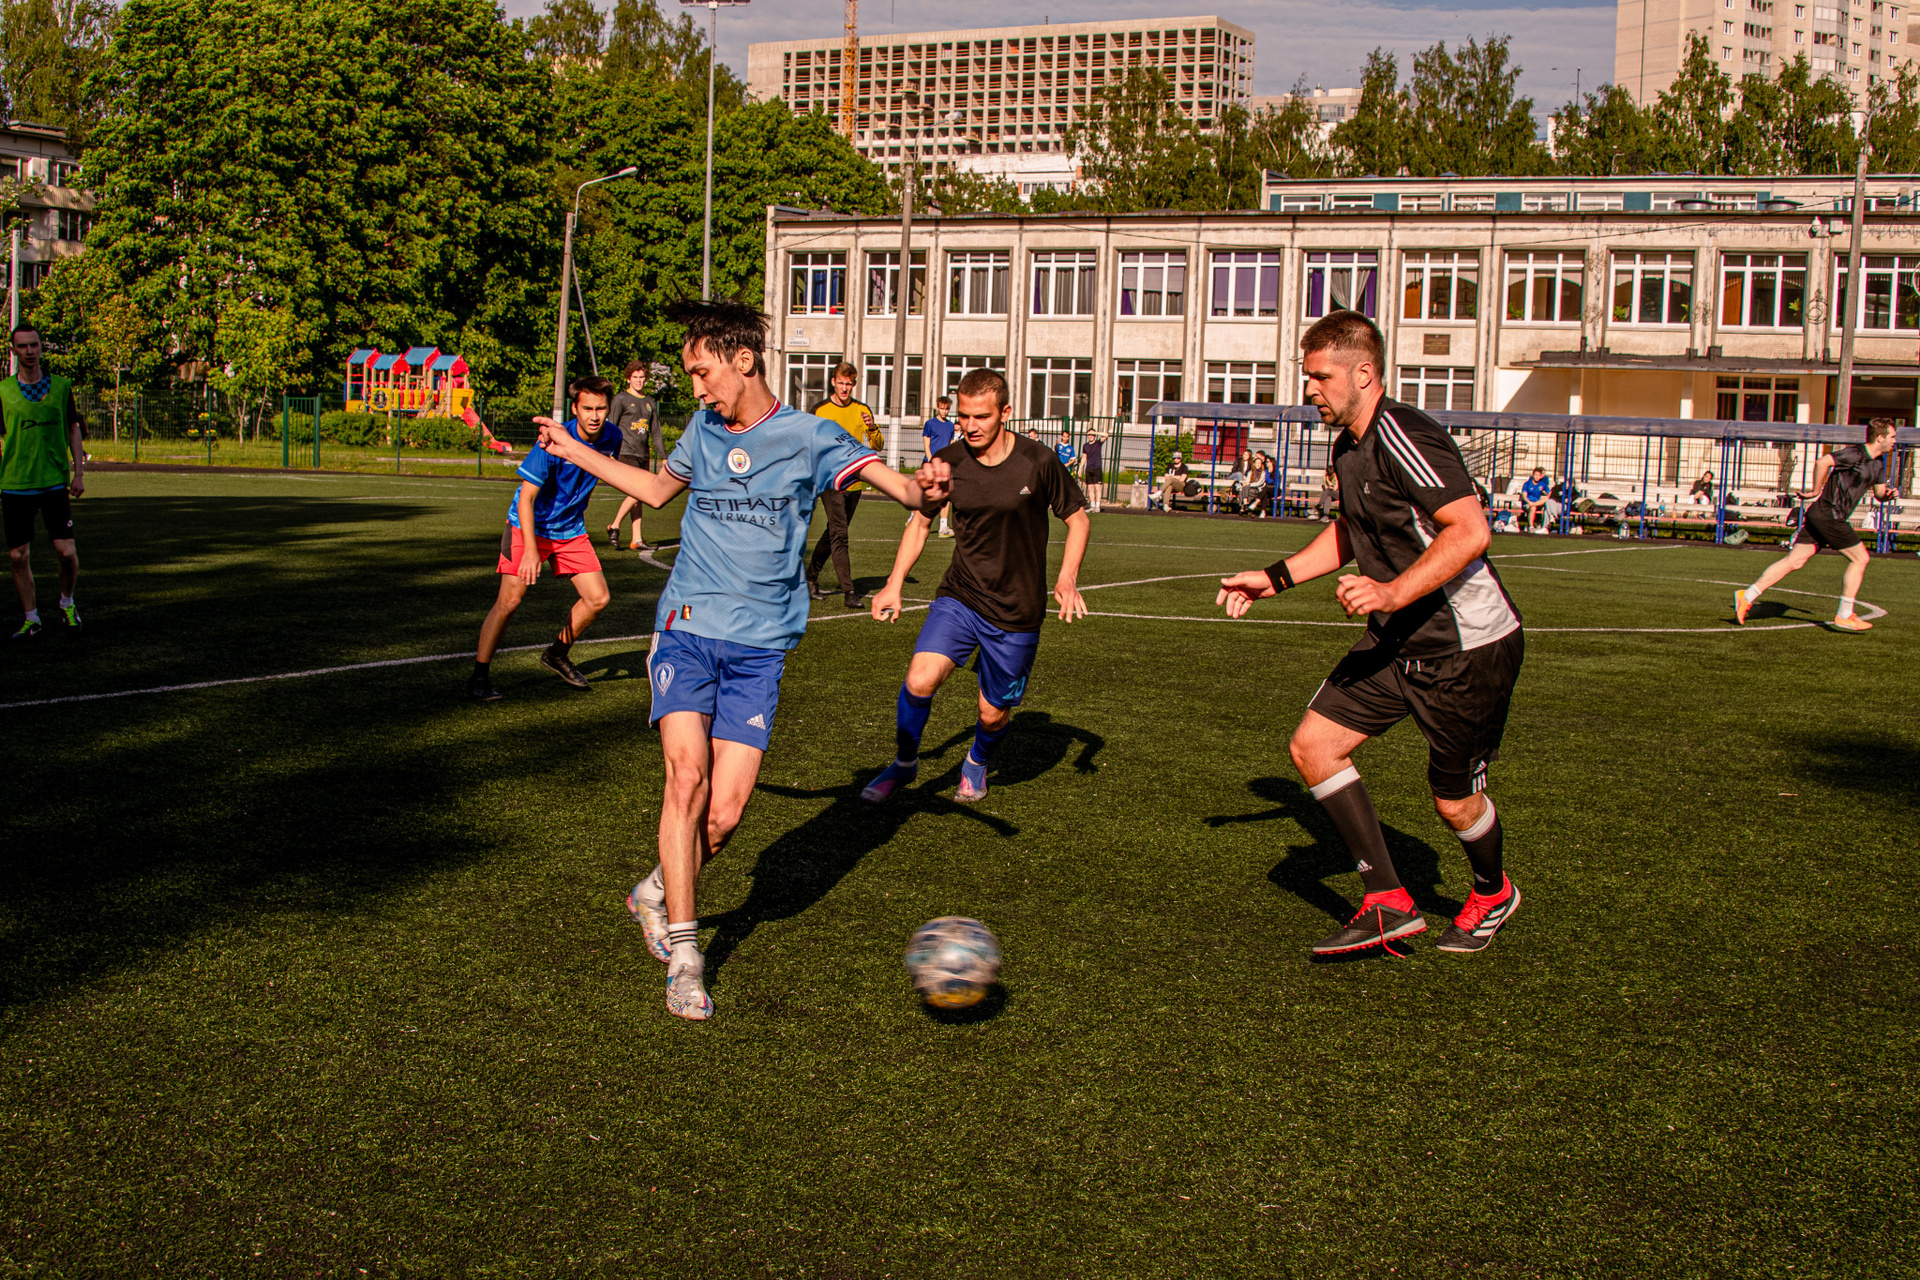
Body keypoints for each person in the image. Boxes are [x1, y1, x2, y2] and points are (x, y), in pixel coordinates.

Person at [533, 300, 934, 1022]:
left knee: (722, 818)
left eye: (701, 372)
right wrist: (571, 447)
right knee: (685, 778)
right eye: (690, 375)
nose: (696, 388)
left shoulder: (813, 436)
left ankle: (654, 891)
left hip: (760, 648)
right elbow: (656, 490)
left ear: (743, 360)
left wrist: (927, 487)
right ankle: (687, 958)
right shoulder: (703, 431)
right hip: (686, 628)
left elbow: (902, 488)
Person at [1217, 311, 1525, 957]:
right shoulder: (1348, 447)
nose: (1310, 389)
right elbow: (1352, 530)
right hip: (1397, 640)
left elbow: (1470, 531)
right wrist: (1275, 578)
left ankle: (1493, 892)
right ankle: (1388, 902)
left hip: (1465, 647)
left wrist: (1391, 592)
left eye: (1320, 377)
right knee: (1314, 747)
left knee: (1454, 804)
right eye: (1308, 377)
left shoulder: (1403, 433)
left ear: (1363, 372)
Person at [860, 367, 1091, 806]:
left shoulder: (1038, 461)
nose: (970, 425)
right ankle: (904, 763)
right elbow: (920, 523)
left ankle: (976, 760)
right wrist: (893, 583)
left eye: (981, 416)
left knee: (991, 714)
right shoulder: (948, 461)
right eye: (963, 416)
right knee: (919, 680)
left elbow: (1077, 520)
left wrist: (1067, 577)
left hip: (1017, 611)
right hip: (961, 596)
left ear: (1005, 412)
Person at [467, 375, 623, 701]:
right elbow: (526, 499)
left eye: (601, 408)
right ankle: (479, 676)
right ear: (575, 409)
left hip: (570, 528)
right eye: (588, 408)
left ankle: (556, 654)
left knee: (598, 598)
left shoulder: (613, 436)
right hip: (528, 525)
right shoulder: (552, 442)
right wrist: (529, 551)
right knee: (510, 601)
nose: (595, 416)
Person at [1735, 419, 1901, 632]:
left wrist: (1888, 495)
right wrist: (1815, 490)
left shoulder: (1878, 464)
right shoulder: (1855, 454)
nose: (1894, 441)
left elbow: (1879, 494)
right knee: (1860, 558)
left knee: (1794, 561)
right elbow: (1823, 461)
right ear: (1880, 438)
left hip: (1825, 516)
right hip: (1828, 514)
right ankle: (1844, 614)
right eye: (1892, 437)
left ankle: (1746, 596)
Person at [2, 325, 84, 638]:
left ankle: (67, 603)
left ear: (41, 347)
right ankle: (31, 618)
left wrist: (78, 473)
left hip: (53, 482)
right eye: (23, 346)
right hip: (15, 483)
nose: (29, 351)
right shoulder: (3, 391)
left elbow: (73, 429)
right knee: (17, 556)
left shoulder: (61, 387)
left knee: (66, 553)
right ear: (14, 350)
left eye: (34, 345)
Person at [806, 362, 884, 607]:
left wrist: (872, 428)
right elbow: (806, 441)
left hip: (855, 483)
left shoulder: (862, 410)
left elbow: (878, 445)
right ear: (833, 382)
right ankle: (850, 592)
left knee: (833, 533)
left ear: (854, 384)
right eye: (840, 383)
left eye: (848, 384)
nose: (844, 388)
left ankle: (809, 578)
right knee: (840, 535)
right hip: (829, 481)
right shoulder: (820, 410)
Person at [606, 360, 661, 553]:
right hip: (625, 452)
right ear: (628, 379)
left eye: (641, 377)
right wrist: (610, 451)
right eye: (635, 377)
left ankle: (636, 539)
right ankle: (614, 525)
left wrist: (663, 456)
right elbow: (611, 426)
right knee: (639, 491)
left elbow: (656, 432)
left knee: (638, 497)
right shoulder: (621, 399)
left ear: (645, 379)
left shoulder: (649, 402)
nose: (638, 380)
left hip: (643, 454)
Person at [923, 395, 957, 536]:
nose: (944, 411)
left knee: (945, 496)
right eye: (942, 409)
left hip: (944, 465)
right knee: (926, 493)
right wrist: (931, 461)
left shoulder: (950, 426)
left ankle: (943, 526)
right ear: (937, 408)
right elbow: (926, 444)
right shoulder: (929, 424)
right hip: (930, 463)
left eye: (947, 409)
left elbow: (951, 444)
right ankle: (914, 516)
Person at [1082, 428, 1105, 515]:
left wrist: (1096, 432)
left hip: (1097, 468)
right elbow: (1084, 457)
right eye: (1089, 434)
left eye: (1092, 434)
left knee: (1097, 488)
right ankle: (1092, 505)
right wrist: (1080, 468)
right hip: (1089, 469)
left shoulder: (1098, 443)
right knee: (1090, 488)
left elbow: (1106, 435)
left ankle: (1097, 506)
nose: (1090, 436)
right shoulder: (1085, 446)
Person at [1519, 467, 1550, 531]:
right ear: (1532, 475)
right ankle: (1531, 527)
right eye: (1536, 475)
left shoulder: (1542, 484)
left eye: (1539, 475)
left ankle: (1543, 526)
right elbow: (1524, 496)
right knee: (1533, 508)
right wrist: (1529, 502)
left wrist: (1548, 495)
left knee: (1547, 499)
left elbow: (1549, 492)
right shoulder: (1527, 484)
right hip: (1527, 504)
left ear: (1541, 476)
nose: (1537, 477)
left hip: (1536, 503)